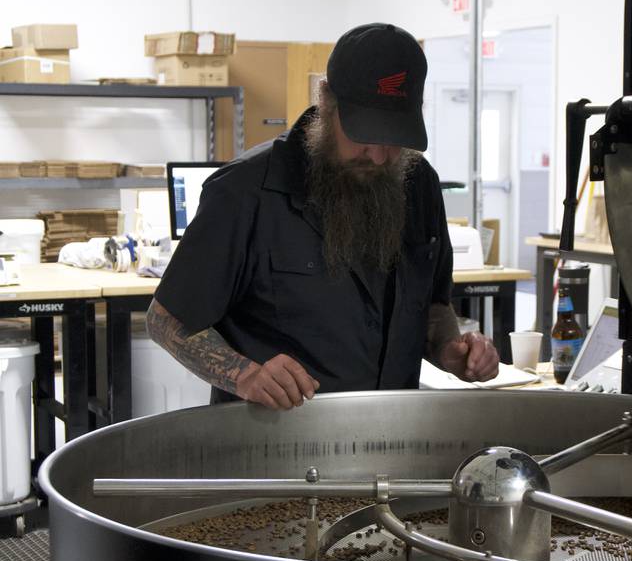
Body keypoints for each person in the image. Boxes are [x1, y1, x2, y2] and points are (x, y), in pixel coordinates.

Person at [146, 22, 499, 409]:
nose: (380, 157)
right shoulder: (246, 191)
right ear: (327, 101)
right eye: (366, 137)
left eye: (395, 140)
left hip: (391, 436)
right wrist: (244, 374)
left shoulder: (419, 184)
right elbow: (167, 320)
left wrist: (450, 348)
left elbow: (433, 305)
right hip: (271, 449)